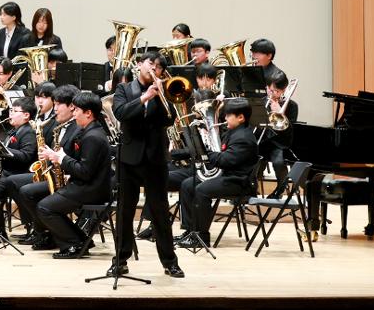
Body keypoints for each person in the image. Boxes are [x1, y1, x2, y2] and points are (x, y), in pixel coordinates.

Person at [111, 52, 185, 278]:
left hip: (155, 159)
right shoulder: (124, 89)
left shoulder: (164, 91)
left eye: (159, 67)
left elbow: (169, 119)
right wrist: (144, 98)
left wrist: (161, 95)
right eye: (151, 63)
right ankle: (120, 261)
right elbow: (120, 113)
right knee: (125, 211)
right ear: (139, 64)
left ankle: (170, 262)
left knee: (160, 211)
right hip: (128, 158)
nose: (154, 69)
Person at [34, 91, 113, 260]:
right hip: (88, 185)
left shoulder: (93, 137)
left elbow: (85, 171)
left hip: (91, 190)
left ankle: (74, 244)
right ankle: (81, 241)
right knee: (47, 205)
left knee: (45, 207)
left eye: (76, 109)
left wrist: (60, 158)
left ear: (88, 113)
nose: (74, 113)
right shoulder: (90, 131)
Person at [177, 99, 259, 249]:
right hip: (228, 176)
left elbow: (225, 160)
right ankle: (190, 231)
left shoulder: (244, 138)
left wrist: (205, 153)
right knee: (188, 184)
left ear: (241, 117)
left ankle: (201, 236)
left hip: (239, 182)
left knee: (202, 190)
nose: (225, 118)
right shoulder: (233, 132)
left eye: (228, 115)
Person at [10, 84, 77, 247]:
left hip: (68, 178)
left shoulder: (76, 128)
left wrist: (55, 157)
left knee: (28, 192)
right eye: (54, 104)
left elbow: (74, 158)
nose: (55, 109)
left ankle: (47, 233)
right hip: (54, 173)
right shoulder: (59, 126)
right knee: (18, 186)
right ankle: (40, 231)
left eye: (58, 104)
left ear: (72, 106)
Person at [0, 98, 38, 238]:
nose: (10, 114)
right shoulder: (15, 131)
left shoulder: (28, 132)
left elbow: (26, 155)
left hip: (19, 174)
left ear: (26, 115)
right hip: (9, 173)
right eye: (10, 110)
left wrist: (3, 149)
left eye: (14, 111)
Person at [262, 72, 298, 195]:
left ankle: (280, 188)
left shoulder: (292, 106)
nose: (272, 94)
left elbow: (290, 131)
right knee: (250, 156)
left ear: (284, 90)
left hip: (279, 142)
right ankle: (250, 188)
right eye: (270, 90)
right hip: (263, 140)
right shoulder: (261, 102)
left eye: (276, 91)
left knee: (278, 162)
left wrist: (281, 114)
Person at [0, 2, 29, 71]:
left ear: (14, 17)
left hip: (17, 71)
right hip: (1, 72)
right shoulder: (0, 33)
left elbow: (22, 59)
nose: (1, 17)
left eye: (4, 15)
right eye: (1, 14)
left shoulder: (25, 34)